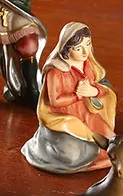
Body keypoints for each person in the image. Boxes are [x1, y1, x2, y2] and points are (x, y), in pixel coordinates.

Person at [21, 22, 117, 174]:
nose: (85, 52)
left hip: (88, 115)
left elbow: (105, 87)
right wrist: (77, 95)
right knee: (75, 155)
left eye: (88, 44)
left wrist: (94, 91)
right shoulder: (56, 72)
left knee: (112, 144)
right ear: (66, 49)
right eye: (78, 48)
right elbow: (54, 101)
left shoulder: (90, 65)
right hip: (64, 120)